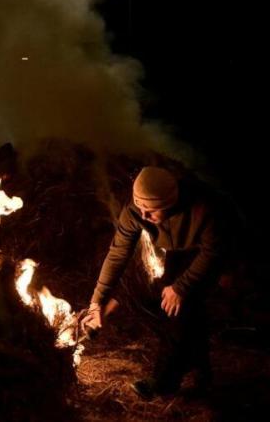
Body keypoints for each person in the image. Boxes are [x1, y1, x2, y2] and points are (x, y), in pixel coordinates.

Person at [81, 166, 224, 399]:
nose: (144, 216)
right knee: (186, 312)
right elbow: (117, 255)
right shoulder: (135, 211)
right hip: (180, 250)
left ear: (171, 202)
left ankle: (164, 382)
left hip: (215, 250)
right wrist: (97, 302)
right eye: (141, 207)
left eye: (152, 211)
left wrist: (181, 287)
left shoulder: (204, 208)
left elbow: (214, 251)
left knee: (180, 309)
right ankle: (201, 370)